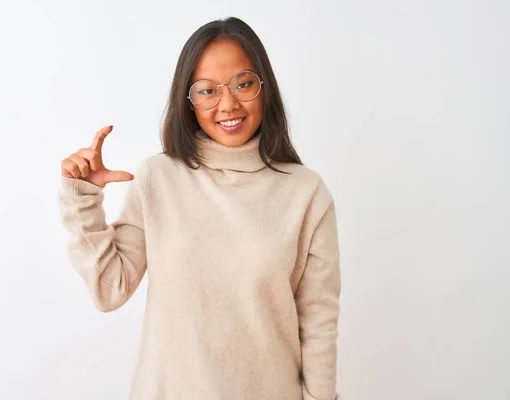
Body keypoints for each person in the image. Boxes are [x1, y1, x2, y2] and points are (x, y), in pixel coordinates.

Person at [59, 17, 342, 400]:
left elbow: (318, 324)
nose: (228, 104)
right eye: (207, 91)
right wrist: (83, 199)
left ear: (264, 88)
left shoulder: (306, 193)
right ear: (188, 102)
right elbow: (111, 290)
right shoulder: (158, 179)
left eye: (243, 83)